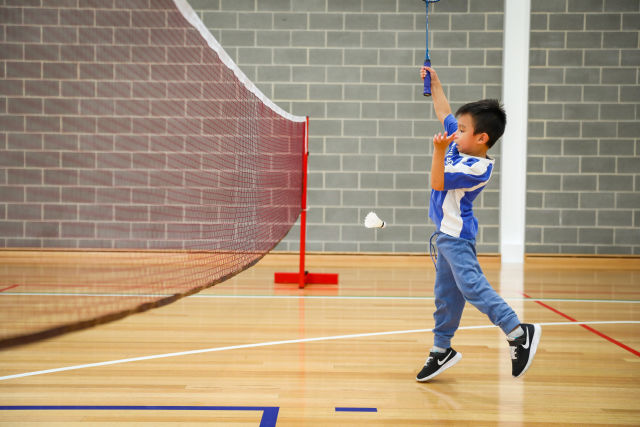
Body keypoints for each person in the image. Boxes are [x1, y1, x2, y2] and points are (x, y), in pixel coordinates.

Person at [416, 66, 541, 382]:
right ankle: (441, 349)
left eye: (460, 129)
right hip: (444, 235)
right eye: (456, 128)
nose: (453, 132)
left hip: (456, 236)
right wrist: (436, 82)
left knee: (470, 285)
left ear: (481, 138)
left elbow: (437, 180)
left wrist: (438, 151)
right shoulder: (459, 144)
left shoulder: (476, 167)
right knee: (446, 294)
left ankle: (517, 331)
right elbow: (443, 109)